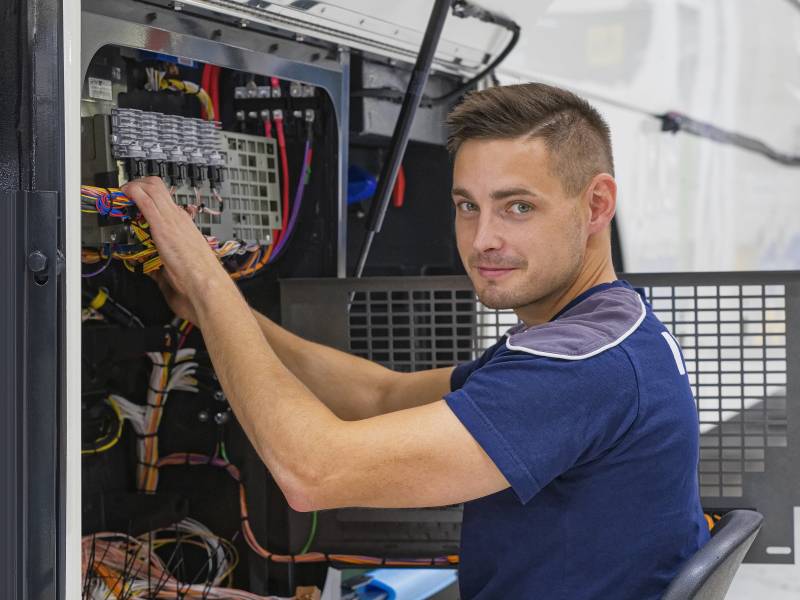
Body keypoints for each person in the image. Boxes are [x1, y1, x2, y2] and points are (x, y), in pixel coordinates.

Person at [123, 82, 709, 599]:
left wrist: (205, 280)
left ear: (597, 204)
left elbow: (313, 473)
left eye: (518, 208)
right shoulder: (607, 326)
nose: (483, 239)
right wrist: (212, 309)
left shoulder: (579, 366)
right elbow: (381, 395)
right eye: (466, 207)